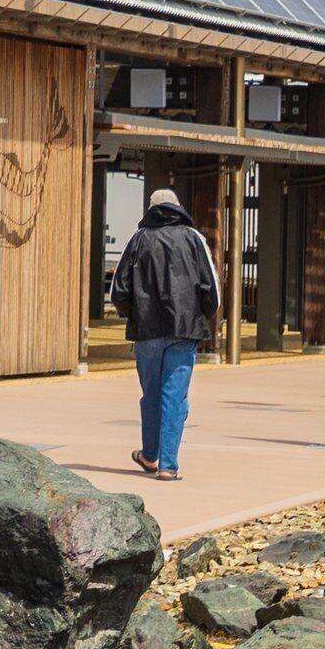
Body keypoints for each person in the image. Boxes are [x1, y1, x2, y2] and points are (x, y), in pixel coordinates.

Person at [110, 187, 220, 481]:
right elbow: (212, 292)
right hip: (184, 331)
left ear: (150, 208)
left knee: (151, 395)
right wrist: (196, 318)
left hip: (146, 331)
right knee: (175, 397)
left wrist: (134, 314)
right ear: (178, 206)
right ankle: (168, 466)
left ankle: (149, 454)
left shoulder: (138, 239)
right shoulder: (194, 239)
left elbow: (118, 291)